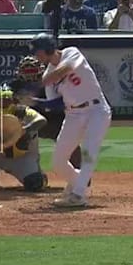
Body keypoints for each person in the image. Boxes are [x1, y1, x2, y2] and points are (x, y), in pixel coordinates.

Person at [31, 33, 111, 208]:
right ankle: (79, 182)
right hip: (73, 115)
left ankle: (78, 195)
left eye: (38, 52)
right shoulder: (48, 73)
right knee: (58, 162)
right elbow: (54, 103)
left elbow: (66, 69)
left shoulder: (71, 52)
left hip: (97, 110)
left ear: (48, 49)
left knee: (89, 154)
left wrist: (42, 82)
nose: (37, 57)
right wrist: (34, 102)